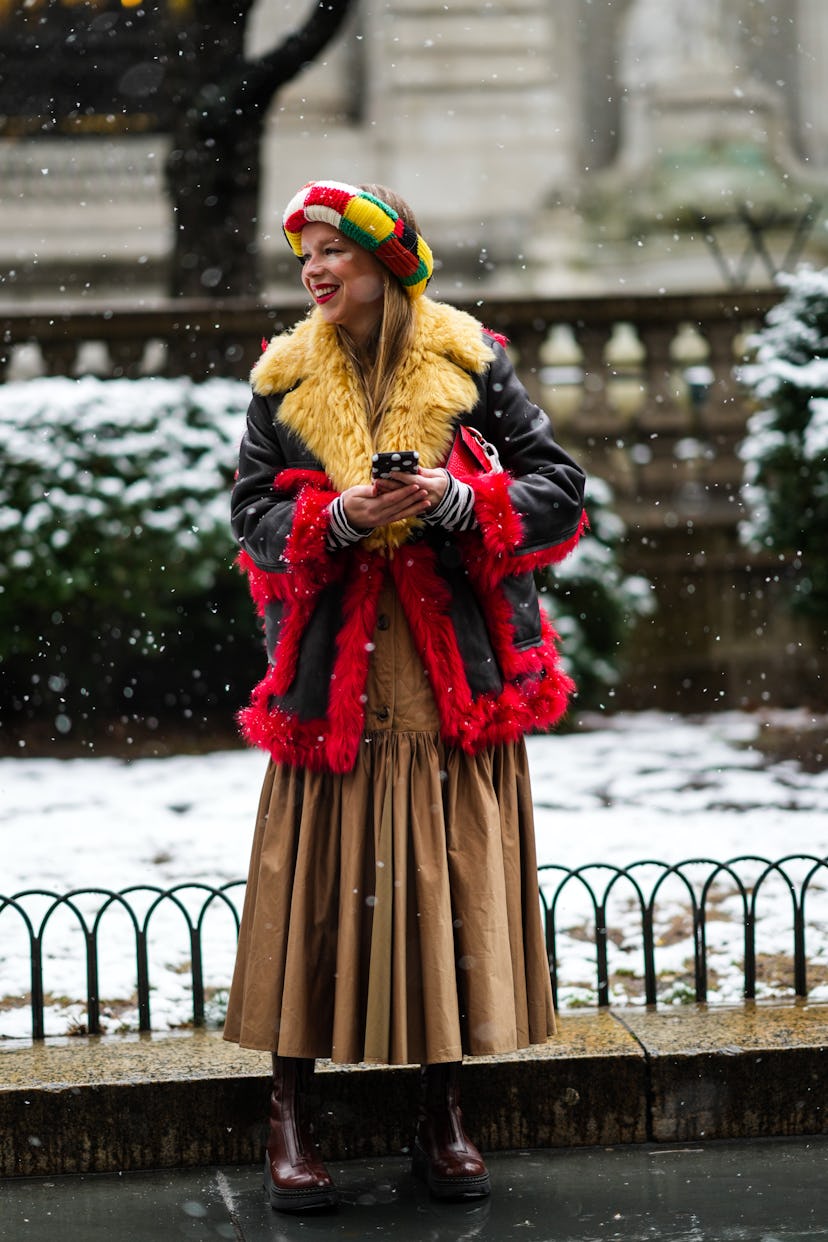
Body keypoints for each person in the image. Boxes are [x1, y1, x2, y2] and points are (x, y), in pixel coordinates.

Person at [224, 179, 587, 1213]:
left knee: (446, 894)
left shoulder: (471, 362)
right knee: (311, 896)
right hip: (331, 674)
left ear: (390, 262)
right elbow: (251, 518)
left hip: (449, 678)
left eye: (333, 249)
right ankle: (287, 1117)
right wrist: (333, 519)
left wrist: (460, 499)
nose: (314, 269)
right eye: (305, 255)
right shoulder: (282, 378)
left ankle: (445, 1119)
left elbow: (559, 491)